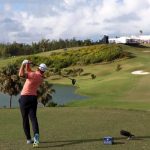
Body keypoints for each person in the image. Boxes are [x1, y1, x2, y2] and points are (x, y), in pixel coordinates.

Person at [18, 59, 47, 147]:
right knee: (33, 119)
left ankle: (28, 139)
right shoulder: (41, 77)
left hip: (24, 98)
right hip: (33, 98)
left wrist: (23, 64)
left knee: (25, 119)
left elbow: (21, 74)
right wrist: (28, 64)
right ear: (43, 71)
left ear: (38, 68)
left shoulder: (32, 74)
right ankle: (36, 140)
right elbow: (30, 71)